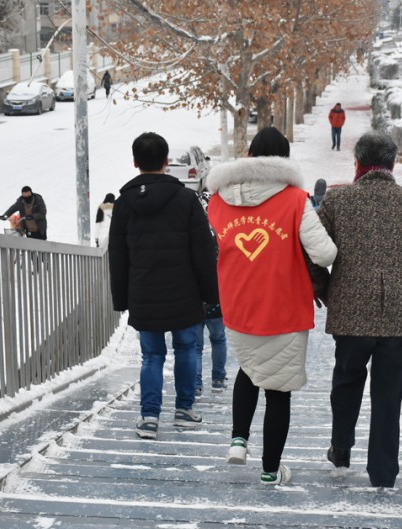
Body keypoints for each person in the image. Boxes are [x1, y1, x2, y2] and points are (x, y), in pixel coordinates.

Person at [315, 131, 402, 489]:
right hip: (398, 317)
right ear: (392, 164)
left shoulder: (336, 202)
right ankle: (383, 471)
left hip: (350, 314)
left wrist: (323, 289)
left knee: (346, 382)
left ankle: (341, 450)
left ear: (357, 163)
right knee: (388, 395)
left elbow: (311, 250)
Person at [206, 127, 337, 485]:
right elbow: (324, 252)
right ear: (285, 159)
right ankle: (269, 470)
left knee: (250, 368)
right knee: (278, 387)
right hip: (284, 306)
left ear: (250, 155)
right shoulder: (296, 199)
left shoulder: (218, 199)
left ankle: (238, 440)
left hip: (238, 303)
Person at [109, 132, 219, 440]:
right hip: (184, 291)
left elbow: (118, 256)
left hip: (144, 291)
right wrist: (211, 294)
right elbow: (203, 251)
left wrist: (122, 299)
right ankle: (184, 410)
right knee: (186, 349)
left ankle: (149, 417)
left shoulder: (124, 204)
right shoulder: (186, 199)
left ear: (135, 163)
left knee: (152, 356)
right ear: (167, 162)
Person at [194, 189, 227, 396]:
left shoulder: (191, 232)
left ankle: (196, 383)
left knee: (195, 345)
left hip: (195, 296)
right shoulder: (220, 232)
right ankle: (218, 378)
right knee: (218, 338)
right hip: (217, 294)